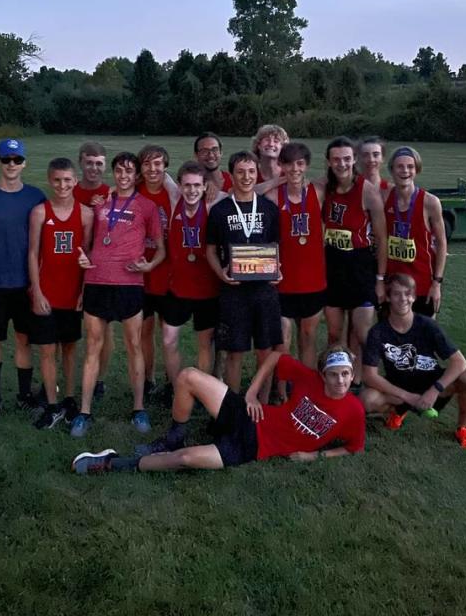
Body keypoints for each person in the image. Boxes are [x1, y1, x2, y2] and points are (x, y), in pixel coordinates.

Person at [71, 344, 365, 474]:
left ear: (352, 375)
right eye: (334, 373)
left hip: (252, 447)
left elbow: (354, 448)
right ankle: (175, 434)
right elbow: (277, 357)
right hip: (250, 416)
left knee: (186, 459)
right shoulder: (308, 378)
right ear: (323, 374)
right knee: (187, 376)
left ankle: (111, 463)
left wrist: (313, 456)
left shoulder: (353, 411)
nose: (340, 380)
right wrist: (250, 393)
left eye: (345, 374)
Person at [72, 152, 165, 437]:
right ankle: (84, 412)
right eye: (119, 171)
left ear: (135, 175)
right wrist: (85, 259)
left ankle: (139, 408)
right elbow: (89, 244)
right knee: (92, 347)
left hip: (129, 284)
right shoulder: (101, 204)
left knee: (134, 345)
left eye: (129, 171)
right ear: (113, 173)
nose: (123, 176)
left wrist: (149, 265)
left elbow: (161, 248)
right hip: (97, 281)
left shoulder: (147, 207)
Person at [0, 139, 46, 424]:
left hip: (25, 283)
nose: (11, 165)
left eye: (17, 160)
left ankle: (25, 396)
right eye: (6, 160)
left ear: (25, 163)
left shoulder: (36, 197)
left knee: (24, 340)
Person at [360, 274, 466, 450]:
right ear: (387, 297)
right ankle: (397, 413)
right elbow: (369, 376)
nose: (403, 299)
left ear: (414, 297)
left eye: (407, 294)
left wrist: (434, 391)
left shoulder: (427, 325)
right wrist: (408, 397)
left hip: (432, 387)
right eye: (396, 294)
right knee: (367, 399)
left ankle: (463, 428)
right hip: (400, 389)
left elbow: (459, 362)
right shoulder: (378, 332)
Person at [205, 151, 283, 393]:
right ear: (232, 175)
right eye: (240, 171)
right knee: (235, 352)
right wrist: (220, 274)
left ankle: (264, 405)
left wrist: (276, 269)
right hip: (233, 292)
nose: (246, 177)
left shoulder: (269, 209)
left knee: (266, 351)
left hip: (264, 290)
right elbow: (210, 250)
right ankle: (234, 408)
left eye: (251, 171)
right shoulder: (220, 211)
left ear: (256, 172)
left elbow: (275, 246)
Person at [27, 158, 93, 429]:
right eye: (57, 180)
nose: (62, 185)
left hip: (72, 294)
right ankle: (52, 405)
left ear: (75, 181)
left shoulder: (86, 214)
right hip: (47, 293)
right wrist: (37, 290)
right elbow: (32, 253)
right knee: (46, 350)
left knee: (69, 349)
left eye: (67, 180)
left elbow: (87, 257)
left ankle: (68, 399)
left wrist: (83, 292)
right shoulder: (40, 212)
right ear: (49, 180)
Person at [321, 136, 388, 384]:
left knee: (362, 333)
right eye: (337, 159)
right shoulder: (322, 188)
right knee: (334, 333)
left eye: (347, 159)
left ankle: (363, 380)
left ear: (354, 160)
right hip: (332, 267)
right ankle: (334, 380)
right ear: (328, 162)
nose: (342, 164)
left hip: (360, 267)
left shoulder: (367, 191)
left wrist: (380, 279)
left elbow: (382, 238)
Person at [262, 142, 327, 372]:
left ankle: (306, 387)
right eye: (288, 164)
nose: (295, 169)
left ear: (307, 165)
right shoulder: (273, 195)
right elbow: (246, 194)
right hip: (283, 279)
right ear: (281, 165)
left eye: (300, 164)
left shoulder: (317, 192)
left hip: (313, 279)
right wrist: (274, 181)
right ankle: (283, 388)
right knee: (283, 340)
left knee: (308, 336)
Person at [161, 161, 221, 393]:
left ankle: (203, 390)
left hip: (207, 289)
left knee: (205, 344)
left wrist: (281, 179)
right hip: (178, 287)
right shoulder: (176, 198)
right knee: (168, 339)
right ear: (180, 185)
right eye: (187, 185)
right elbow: (157, 171)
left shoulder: (214, 201)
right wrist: (113, 191)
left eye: (197, 185)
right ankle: (178, 389)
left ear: (205, 186)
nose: (192, 190)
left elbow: (248, 192)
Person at [384, 146, 448, 317]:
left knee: (423, 339)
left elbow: (442, 244)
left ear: (417, 169)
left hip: (422, 285)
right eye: (400, 166)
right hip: (392, 285)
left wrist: (437, 283)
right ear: (392, 169)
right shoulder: (384, 198)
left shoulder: (430, 202)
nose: (405, 171)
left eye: (410, 166)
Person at [73, 141, 114, 401]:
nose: (94, 168)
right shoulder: (69, 190)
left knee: (103, 329)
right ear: (81, 162)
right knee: (64, 329)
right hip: (69, 267)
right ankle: (56, 379)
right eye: (89, 162)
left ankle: (99, 379)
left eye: (99, 163)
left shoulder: (111, 193)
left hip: (101, 270)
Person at [137, 145, 177, 396]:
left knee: (168, 334)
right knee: (144, 331)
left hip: (168, 273)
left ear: (165, 166)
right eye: (147, 164)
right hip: (139, 275)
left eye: (158, 164)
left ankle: (171, 382)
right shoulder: (134, 192)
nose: (153, 169)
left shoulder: (173, 193)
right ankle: (148, 378)